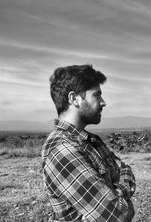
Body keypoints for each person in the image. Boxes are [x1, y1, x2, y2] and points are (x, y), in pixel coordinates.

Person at [42, 64, 136, 222]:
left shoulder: (91, 141)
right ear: (74, 99)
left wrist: (117, 192)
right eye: (97, 95)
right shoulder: (63, 150)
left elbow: (124, 169)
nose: (103, 102)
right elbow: (117, 216)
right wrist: (122, 193)